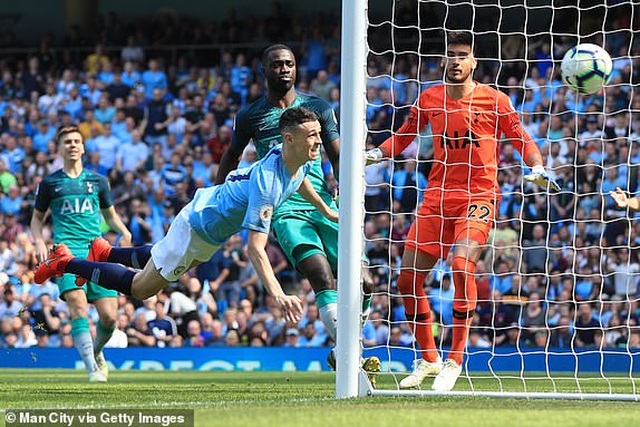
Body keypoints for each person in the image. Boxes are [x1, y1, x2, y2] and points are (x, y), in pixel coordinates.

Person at [365, 31, 559, 391]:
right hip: (437, 198)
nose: (455, 61)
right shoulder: (430, 98)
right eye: (450, 55)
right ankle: (427, 358)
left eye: (462, 55)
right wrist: (376, 153)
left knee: (460, 264)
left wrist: (537, 166)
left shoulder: (494, 100)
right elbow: (405, 135)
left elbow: (523, 140)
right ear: (444, 60)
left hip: (479, 196)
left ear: (473, 63)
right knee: (407, 280)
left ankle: (455, 359)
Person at [35, 108, 336, 324]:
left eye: (319, 134)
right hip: (196, 226)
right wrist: (278, 295)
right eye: (311, 136)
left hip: (211, 229)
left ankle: (107, 252)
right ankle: (64, 261)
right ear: (289, 138)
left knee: (158, 256)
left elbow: (301, 181)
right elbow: (255, 249)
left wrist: (326, 211)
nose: (318, 141)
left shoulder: (296, 159)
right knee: (142, 288)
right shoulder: (268, 182)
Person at [215, 44, 380, 377]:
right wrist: (219, 194)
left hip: (324, 204)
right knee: (322, 276)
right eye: (277, 64)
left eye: (289, 64)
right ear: (264, 71)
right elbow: (231, 156)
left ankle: (341, 347)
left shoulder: (318, 107)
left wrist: (344, 190)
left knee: (364, 282)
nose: (284, 69)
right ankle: (354, 359)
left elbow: (337, 154)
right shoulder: (250, 115)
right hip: (287, 209)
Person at [30, 125, 132, 383]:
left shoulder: (98, 181)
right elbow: (36, 220)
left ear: (83, 147)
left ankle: (96, 351)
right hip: (66, 251)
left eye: (77, 141)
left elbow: (109, 215)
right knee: (77, 306)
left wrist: (125, 231)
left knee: (110, 317)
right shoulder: (50, 183)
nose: (73, 145)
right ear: (60, 148)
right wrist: (39, 243)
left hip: (97, 250)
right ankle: (91, 369)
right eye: (67, 142)